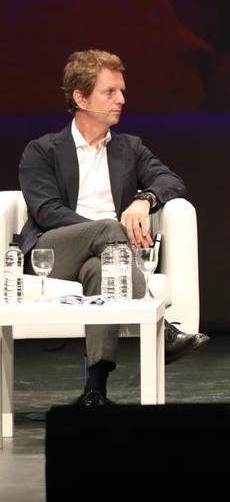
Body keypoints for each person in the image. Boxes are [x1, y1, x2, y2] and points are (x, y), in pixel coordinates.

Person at [17, 50, 210, 406]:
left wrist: (144, 200)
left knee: (102, 269)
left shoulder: (128, 147)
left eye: (121, 91)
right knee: (108, 236)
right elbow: (47, 211)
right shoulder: (42, 150)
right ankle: (161, 330)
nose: (121, 99)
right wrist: (108, 229)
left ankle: (95, 391)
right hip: (54, 250)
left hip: (110, 256)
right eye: (110, 92)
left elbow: (171, 180)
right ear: (80, 98)